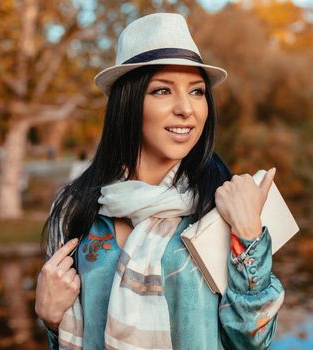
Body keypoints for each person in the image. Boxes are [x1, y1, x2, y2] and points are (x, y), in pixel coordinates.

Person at [34, 12, 284, 350]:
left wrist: (250, 235)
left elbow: (251, 340)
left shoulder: (222, 200)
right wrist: (50, 318)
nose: (186, 109)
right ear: (129, 103)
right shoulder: (75, 209)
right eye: (163, 90)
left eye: (197, 92)